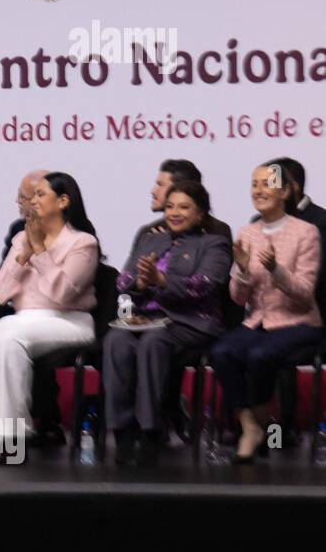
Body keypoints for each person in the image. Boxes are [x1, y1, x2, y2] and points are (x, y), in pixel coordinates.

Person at [102, 179, 231, 464]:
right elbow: (122, 279)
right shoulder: (150, 239)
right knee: (116, 341)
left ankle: (151, 430)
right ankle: (122, 431)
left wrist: (161, 280)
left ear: (201, 213)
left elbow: (206, 284)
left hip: (190, 323)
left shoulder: (214, 244)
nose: (175, 212)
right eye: (170, 206)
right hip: (145, 319)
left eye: (184, 207)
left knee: (153, 342)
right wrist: (139, 280)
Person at [0, 172, 100, 458]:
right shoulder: (22, 237)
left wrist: (40, 252)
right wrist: (23, 256)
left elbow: (63, 294)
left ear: (63, 201)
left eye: (41, 194)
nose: (33, 201)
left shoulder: (83, 243)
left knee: (10, 341)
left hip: (69, 319)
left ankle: (15, 435)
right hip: (25, 318)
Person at [209, 162, 323, 463]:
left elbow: (304, 293)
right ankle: (252, 426)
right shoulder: (248, 231)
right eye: (254, 184)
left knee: (260, 356)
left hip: (299, 322)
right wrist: (244, 269)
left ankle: (261, 426)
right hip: (258, 321)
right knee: (221, 352)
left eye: (266, 183)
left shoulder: (306, 232)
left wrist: (276, 270)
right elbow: (237, 296)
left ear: (286, 191)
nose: (258, 190)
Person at [0, 169, 63, 444]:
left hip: (62, 311)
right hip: (23, 308)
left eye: (24, 198)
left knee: (24, 343)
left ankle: (44, 423)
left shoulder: (74, 232)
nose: (21, 204)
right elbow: (4, 279)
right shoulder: (17, 230)